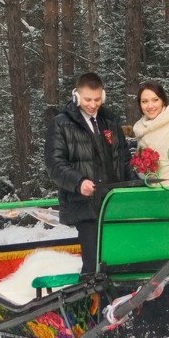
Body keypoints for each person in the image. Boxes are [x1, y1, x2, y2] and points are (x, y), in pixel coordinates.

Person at [45, 72, 136, 275]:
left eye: (97, 99)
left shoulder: (111, 123)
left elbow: (124, 160)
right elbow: (55, 164)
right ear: (76, 96)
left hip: (115, 205)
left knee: (119, 263)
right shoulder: (61, 124)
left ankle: (116, 305)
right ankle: (88, 306)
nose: (92, 105)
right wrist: (79, 182)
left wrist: (136, 184)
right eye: (87, 99)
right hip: (85, 207)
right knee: (94, 267)